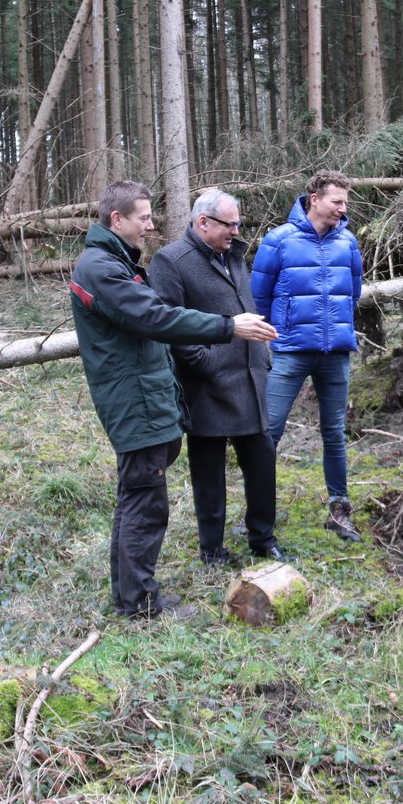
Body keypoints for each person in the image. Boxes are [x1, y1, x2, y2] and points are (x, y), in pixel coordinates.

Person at [69, 181, 277, 620]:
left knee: (137, 501)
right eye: (143, 217)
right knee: (145, 505)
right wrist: (227, 327)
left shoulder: (113, 263)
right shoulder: (102, 269)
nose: (150, 225)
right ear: (117, 220)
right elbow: (155, 316)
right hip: (135, 402)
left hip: (144, 399)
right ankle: (142, 606)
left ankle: (131, 598)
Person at [149, 189, 288, 566]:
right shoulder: (170, 262)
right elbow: (170, 326)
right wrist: (208, 364)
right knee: (208, 476)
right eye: (230, 224)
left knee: (262, 462)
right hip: (206, 388)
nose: (236, 230)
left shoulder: (236, 257)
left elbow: (245, 309)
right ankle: (212, 550)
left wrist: (261, 356)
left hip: (251, 381)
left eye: (239, 223)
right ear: (202, 222)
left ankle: (263, 538)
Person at [250, 170, 364, 544]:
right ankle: (257, 514)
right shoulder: (278, 240)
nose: (342, 209)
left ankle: (339, 511)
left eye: (345, 202)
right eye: (337, 202)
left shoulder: (347, 242)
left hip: (335, 355)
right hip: (290, 352)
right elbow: (259, 298)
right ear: (314, 199)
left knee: (334, 434)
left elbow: (354, 293)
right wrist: (275, 334)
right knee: (269, 433)